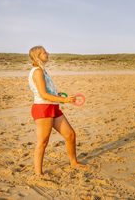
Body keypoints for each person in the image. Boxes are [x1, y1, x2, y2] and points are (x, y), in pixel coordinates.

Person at [28, 45, 85, 175]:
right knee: (43, 142)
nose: (47, 53)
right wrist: (65, 100)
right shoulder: (37, 71)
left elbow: (47, 92)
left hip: (53, 106)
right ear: (38, 56)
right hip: (43, 108)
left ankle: (73, 162)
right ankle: (38, 174)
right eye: (44, 52)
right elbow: (43, 94)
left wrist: (58, 96)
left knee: (70, 134)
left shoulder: (42, 70)